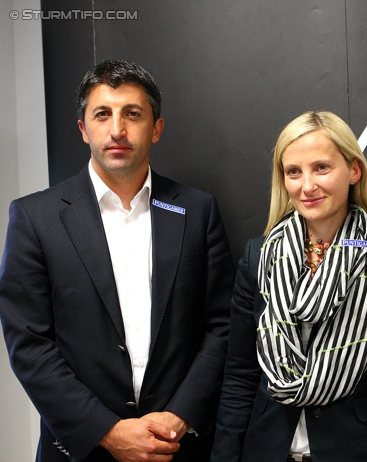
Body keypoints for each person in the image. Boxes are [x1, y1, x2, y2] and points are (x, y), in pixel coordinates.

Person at [0, 60, 235, 461]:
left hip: (179, 447)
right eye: (102, 114)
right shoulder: (35, 218)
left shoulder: (197, 211)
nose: (117, 130)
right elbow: (29, 344)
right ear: (82, 129)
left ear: (156, 128)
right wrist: (107, 431)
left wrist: (179, 417)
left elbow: (223, 325)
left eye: (133, 114)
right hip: (82, 450)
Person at [211, 111, 367, 461]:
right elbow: (239, 376)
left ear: (354, 171)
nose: (307, 186)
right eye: (293, 172)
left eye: (321, 168)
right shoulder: (258, 258)